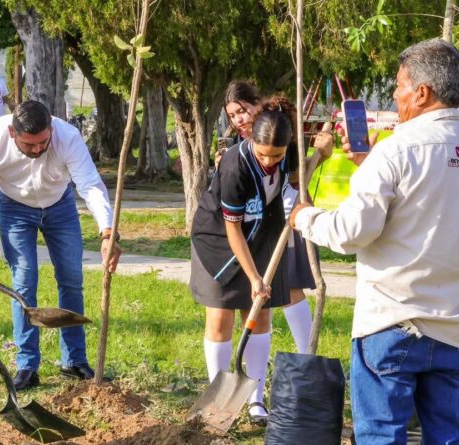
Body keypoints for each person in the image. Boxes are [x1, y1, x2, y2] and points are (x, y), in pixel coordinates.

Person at [291, 38, 459, 444]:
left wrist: (305, 218)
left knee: (381, 436)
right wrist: (366, 166)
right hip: (454, 326)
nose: (395, 96)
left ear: (422, 93)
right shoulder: (391, 154)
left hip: (392, 321)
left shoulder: (396, 151)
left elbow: (350, 232)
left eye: (399, 87)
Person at [191, 95, 333, 425]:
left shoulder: (290, 153)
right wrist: (254, 278)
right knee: (221, 316)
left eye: (277, 156)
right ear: (252, 141)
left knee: (260, 317)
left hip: (264, 234)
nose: (269, 162)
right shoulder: (234, 166)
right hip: (220, 241)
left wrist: (320, 158)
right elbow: (233, 228)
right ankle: (218, 402)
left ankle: (255, 401)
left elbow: (301, 192)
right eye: (263, 154)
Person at [0, 100, 122, 390]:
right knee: (24, 282)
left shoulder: (68, 137)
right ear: (13, 133)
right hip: (14, 207)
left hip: (59, 205)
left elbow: (90, 185)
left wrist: (107, 232)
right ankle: (27, 366)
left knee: (72, 278)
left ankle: (74, 362)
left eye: (42, 142)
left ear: (51, 129)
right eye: (29, 144)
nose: (37, 149)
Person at [221, 80, 332, 355]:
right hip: (257, 225)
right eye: (232, 115)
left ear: (258, 106)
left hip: (288, 215)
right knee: (271, 291)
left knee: (291, 287)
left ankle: (308, 357)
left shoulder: (279, 132)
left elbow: (295, 176)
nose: (238, 120)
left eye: (243, 111)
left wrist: (320, 155)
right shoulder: (241, 143)